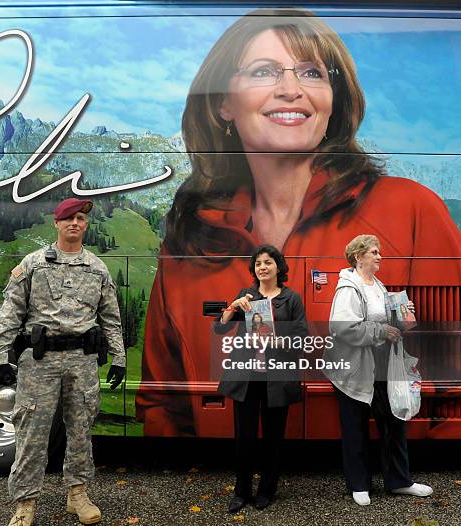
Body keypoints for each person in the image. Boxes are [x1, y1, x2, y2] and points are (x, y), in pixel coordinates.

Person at [136, 7, 461, 437]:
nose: (291, 89)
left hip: (365, 479)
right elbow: (163, 401)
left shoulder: (411, 209)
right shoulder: (189, 241)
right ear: (223, 105)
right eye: (264, 71)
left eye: (311, 73)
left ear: (333, 100)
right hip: (235, 477)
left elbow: (453, 382)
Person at [0, 197, 126, 526]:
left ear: (86, 224)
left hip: (82, 361)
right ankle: (25, 502)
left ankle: (77, 494)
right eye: (68, 218)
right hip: (40, 362)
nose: (75, 223)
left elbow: (110, 318)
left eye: (80, 218)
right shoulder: (33, 264)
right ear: (57, 223)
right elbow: (10, 313)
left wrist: (118, 356)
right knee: (32, 432)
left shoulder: (97, 268)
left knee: (80, 431)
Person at [324, 234, 432, 506]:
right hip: (354, 367)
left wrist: (403, 314)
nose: (379, 256)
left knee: (395, 420)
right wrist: (381, 330)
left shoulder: (379, 286)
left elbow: (386, 321)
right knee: (355, 426)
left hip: (382, 363)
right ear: (358, 257)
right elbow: (340, 327)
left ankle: (399, 481)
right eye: (374, 252)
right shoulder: (348, 288)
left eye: (379, 251)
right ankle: (358, 485)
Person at [215, 245, 308, 512]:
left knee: (273, 438)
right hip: (247, 376)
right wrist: (232, 307)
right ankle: (241, 491)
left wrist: (277, 338)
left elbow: (301, 336)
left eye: (268, 262)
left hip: (276, 377)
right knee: (244, 437)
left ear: (279, 266)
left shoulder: (291, 299)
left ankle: (267, 490)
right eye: (258, 264)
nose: (262, 267)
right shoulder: (246, 296)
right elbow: (220, 327)